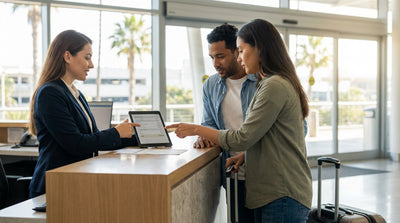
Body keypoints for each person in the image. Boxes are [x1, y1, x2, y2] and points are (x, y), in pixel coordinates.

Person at [166, 19, 312, 223]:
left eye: (241, 50)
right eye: (212, 57)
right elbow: (260, 134)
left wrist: (194, 129)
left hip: (280, 191)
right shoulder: (268, 83)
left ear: (258, 49)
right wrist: (244, 155)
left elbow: (243, 137)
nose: (240, 57)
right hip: (256, 184)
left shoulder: (271, 85)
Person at [27, 30, 140, 198]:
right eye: (87, 57)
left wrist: (140, 138)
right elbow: (76, 143)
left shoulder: (75, 93)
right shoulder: (50, 93)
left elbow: (94, 139)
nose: (91, 65)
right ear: (67, 56)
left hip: (75, 181)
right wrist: (116, 132)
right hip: (54, 187)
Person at [198, 23, 258, 223]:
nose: (215, 63)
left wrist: (249, 154)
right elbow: (209, 123)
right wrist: (203, 135)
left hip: (264, 174)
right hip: (232, 176)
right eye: (212, 57)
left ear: (237, 51)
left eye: (220, 56)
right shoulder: (211, 85)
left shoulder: (262, 81)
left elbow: (292, 130)